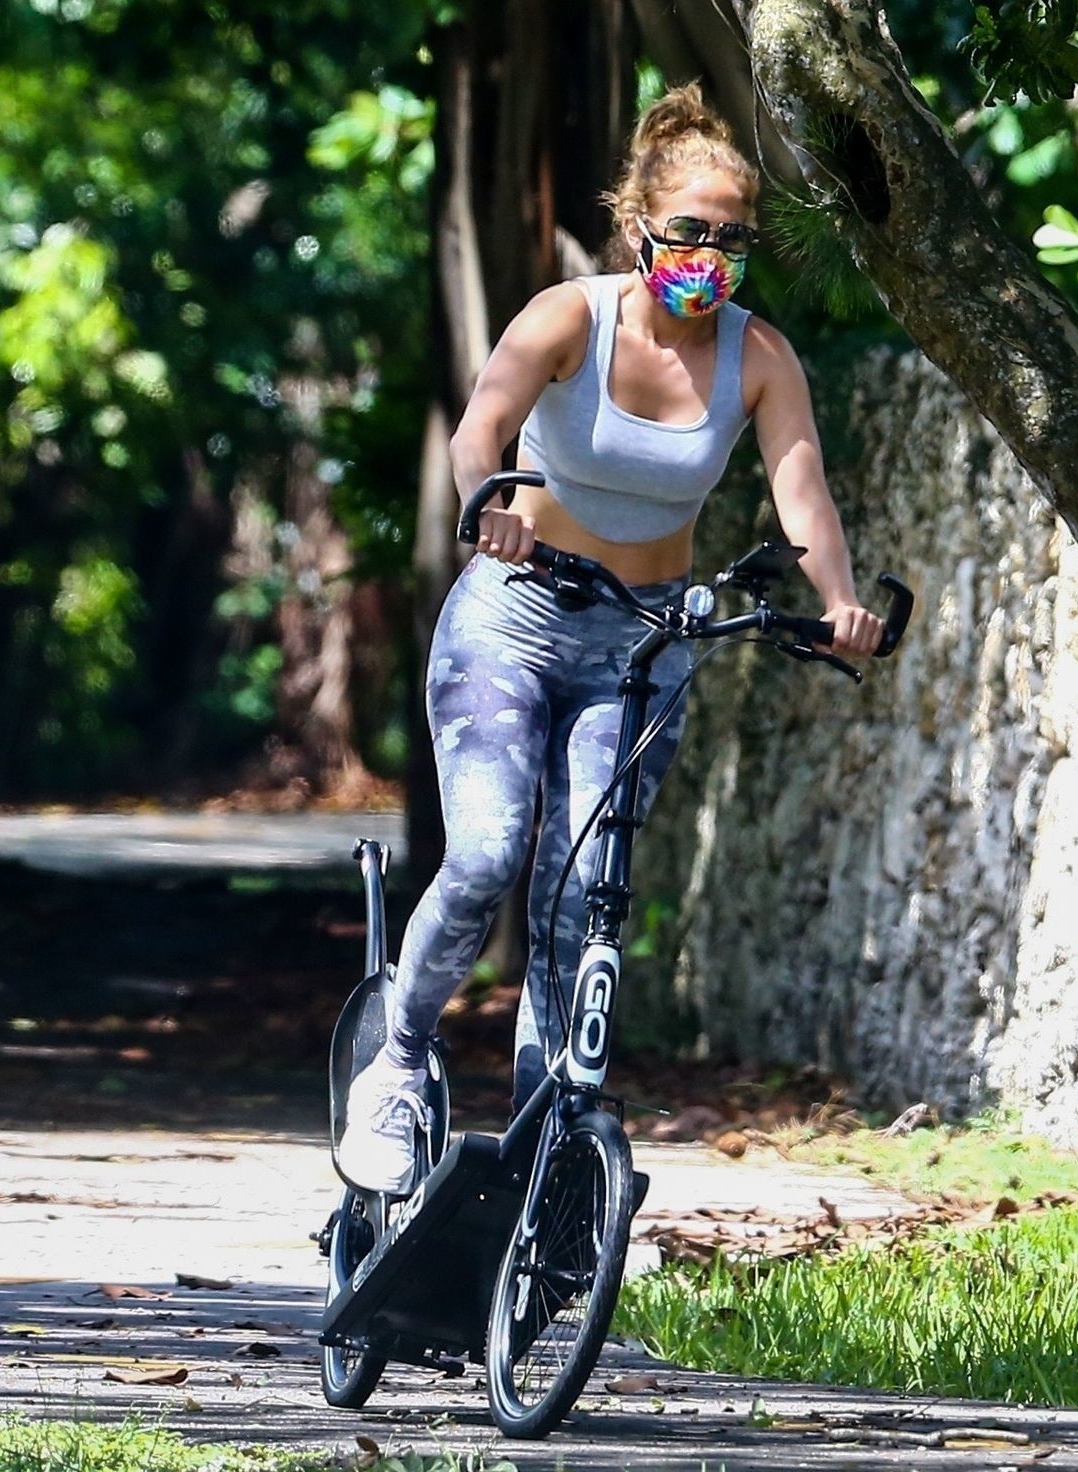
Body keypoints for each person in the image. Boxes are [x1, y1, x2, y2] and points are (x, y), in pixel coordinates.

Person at [337, 81, 885, 1193]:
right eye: (690, 230)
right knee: (488, 851)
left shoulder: (759, 357)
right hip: (517, 615)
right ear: (638, 225)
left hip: (642, 643)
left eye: (733, 239)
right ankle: (393, 1063)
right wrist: (487, 498)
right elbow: (482, 425)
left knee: (584, 893)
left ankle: (544, 1136)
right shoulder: (568, 319)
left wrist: (840, 602)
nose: (710, 256)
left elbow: (803, 498)